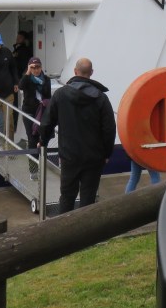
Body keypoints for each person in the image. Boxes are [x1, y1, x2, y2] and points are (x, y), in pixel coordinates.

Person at [40, 58, 116, 213]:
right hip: (94, 157)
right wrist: (107, 153)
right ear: (91, 73)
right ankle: (86, 227)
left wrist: (43, 141)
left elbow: (47, 122)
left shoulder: (60, 94)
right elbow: (109, 129)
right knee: (88, 198)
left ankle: (64, 227)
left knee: (67, 196)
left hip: (69, 156)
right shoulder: (101, 98)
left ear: (75, 71)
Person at [20, 56, 52, 152]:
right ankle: (33, 162)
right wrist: (28, 72)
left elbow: (48, 95)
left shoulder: (46, 79)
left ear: (41, 67)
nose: (36, 70)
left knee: (42, 138)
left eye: (38, 67)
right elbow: (21, 86)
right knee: (32, 138)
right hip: (29, 111)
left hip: (42, 112)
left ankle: (41, 160)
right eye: (33, 67)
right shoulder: (27, 78)